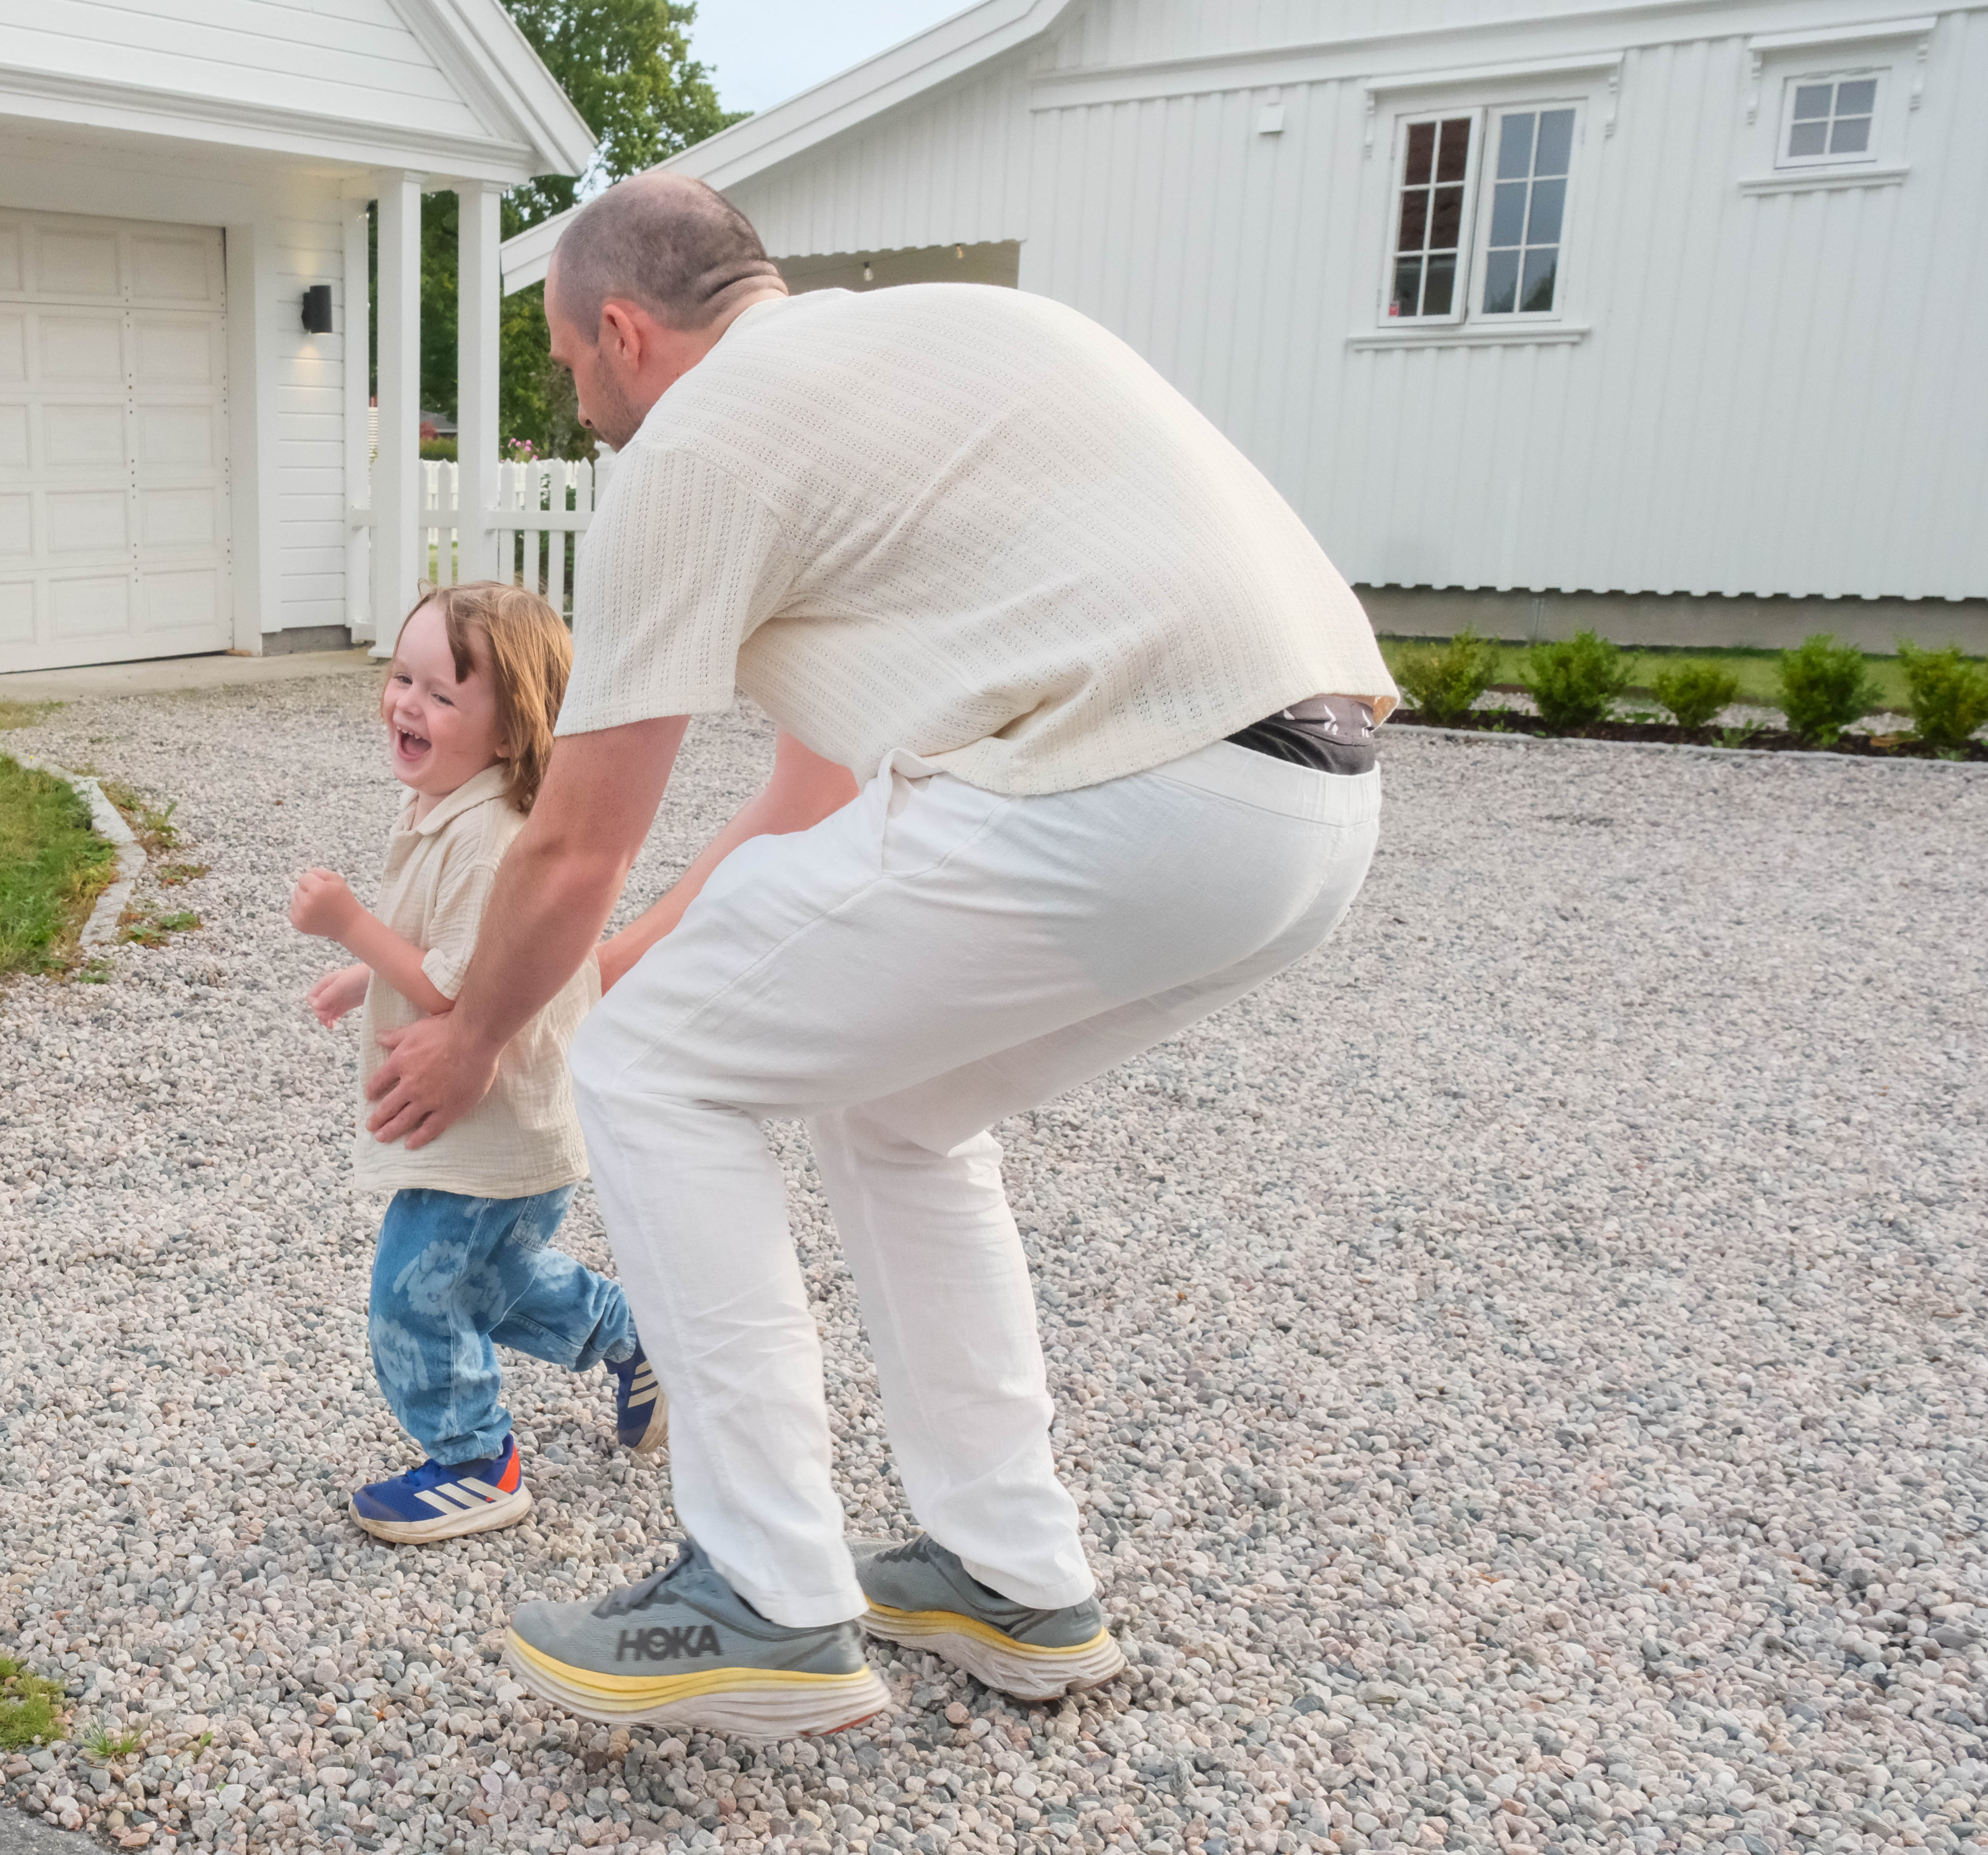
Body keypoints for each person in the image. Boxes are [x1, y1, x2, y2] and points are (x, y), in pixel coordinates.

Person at [364, 176, 1397, 1738]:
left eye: (574, 373)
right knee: (899, 1109)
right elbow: (810, 799)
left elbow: (571, 841)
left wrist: (472, 1036)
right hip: (1300, 813)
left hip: (1108, 789)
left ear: (626, 333)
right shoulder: (941, 352)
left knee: (643, 1076)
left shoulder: (695, 444)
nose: (583, 413)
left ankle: (763, 1596)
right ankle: (1011, 1574)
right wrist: (621, 965)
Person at [289, 582, 667, 1545]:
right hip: (515, 1127)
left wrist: (349, 923)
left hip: (490, 1128)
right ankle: (644, 1339)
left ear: (510, 733)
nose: (408, 704)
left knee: (414, 1296)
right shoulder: (445, 805)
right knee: (492, 1286)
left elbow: (462, 994)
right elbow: (440, 946)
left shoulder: (490, 835)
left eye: (443, 695)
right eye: (402, 677)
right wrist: (358, 975)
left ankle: (473, 1462)